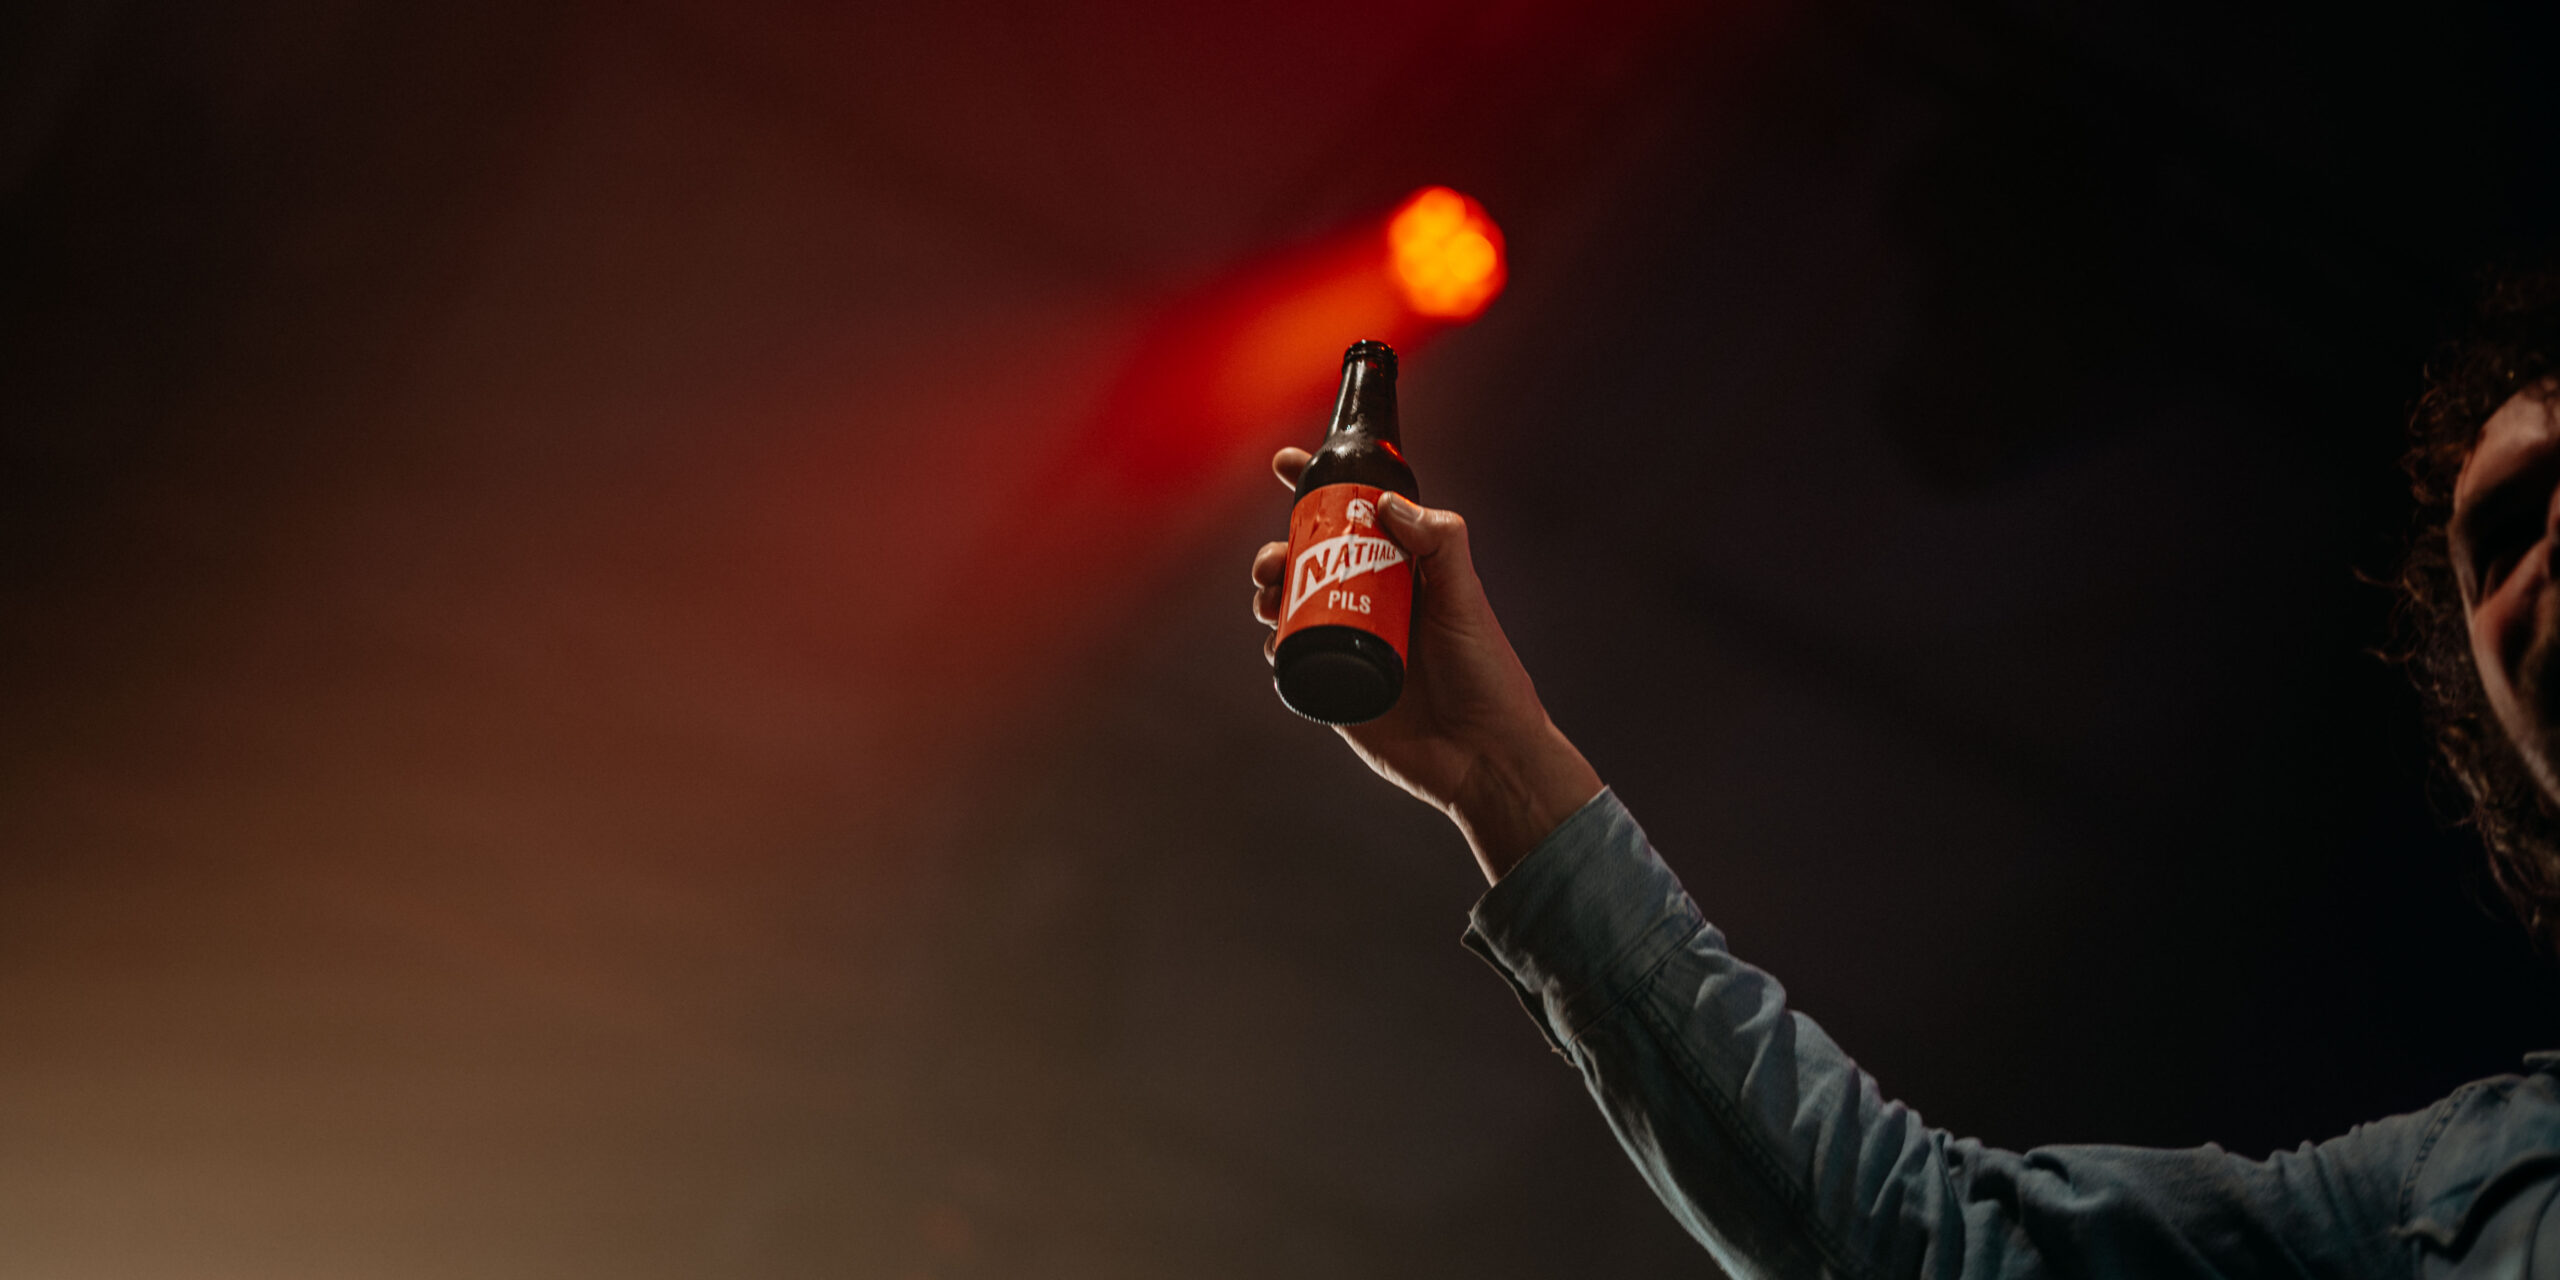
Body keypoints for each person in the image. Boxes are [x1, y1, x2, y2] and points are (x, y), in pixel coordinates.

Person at [1248, 278, 2560, 1278]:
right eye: (2503, 534)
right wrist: (1498, 766)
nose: (2552, 540)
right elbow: (1918, 1245)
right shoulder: (2447, 1194)